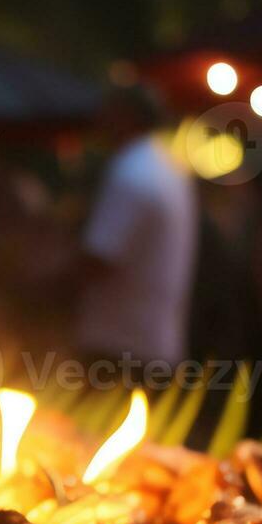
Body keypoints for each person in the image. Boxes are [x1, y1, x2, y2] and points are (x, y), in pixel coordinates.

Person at [74, 86, 199, 365]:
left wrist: (35, 289)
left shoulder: (131, 170)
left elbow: (100, 258)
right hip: (155, 344)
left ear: (127, 117)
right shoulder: (167, 167)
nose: (100, 121)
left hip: (119, 345)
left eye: (108, 112)